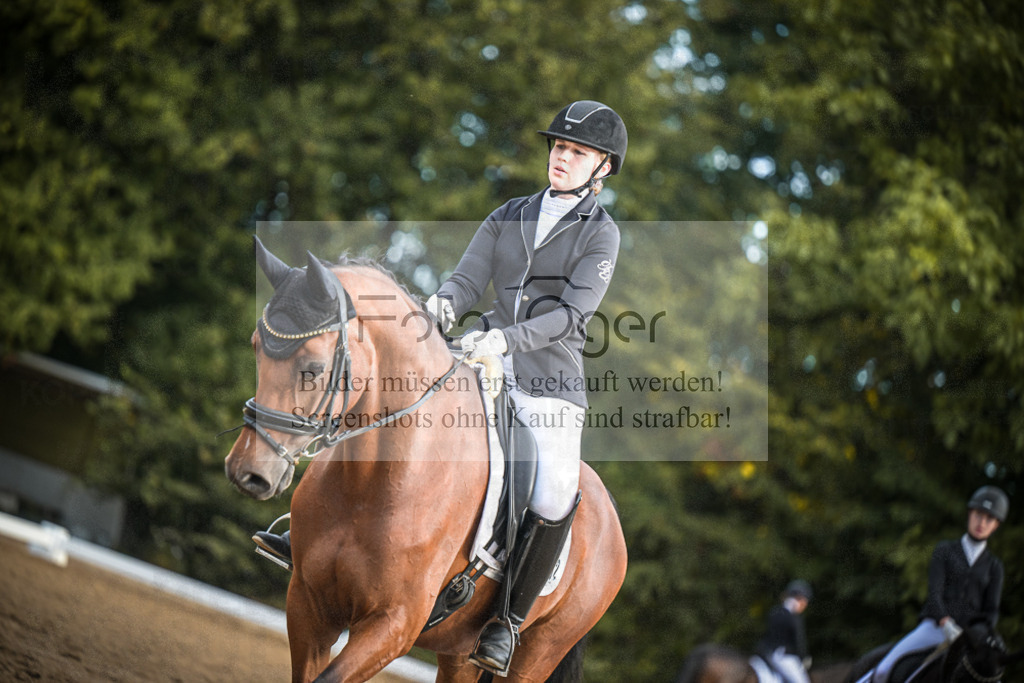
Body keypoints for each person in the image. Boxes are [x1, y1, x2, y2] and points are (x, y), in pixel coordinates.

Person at [425, 99, 627, 675]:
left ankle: (507, 623)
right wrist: (443, 303)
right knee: (399, 410)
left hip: (549, 382)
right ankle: (318, 532)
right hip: (481, 358)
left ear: (603, 167)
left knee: (556, 490)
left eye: (578, 151)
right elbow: (467, 279)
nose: (562, 157)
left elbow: (571, 317)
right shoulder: (508, 212)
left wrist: (506, 342)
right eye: (559, 147)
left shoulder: (602, 236)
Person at [856, 485, 1008, 683]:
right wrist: (945, 622)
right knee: (885, 668)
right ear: (970, 514)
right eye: (979, 515)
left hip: (970, 641)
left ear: (996, 525)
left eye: (989, 519)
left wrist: (977, 636)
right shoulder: (945, 550)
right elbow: (934, 592)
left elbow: (991, 611)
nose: (982, 522)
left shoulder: (995, 567)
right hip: (936, 628)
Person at [755, 580, 813, 683]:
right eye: (805, 602)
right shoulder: (793, 616)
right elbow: (799, 640)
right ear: (800, 599)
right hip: (783, 657)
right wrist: (804, 657)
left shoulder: (774, 611)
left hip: (765, 653)